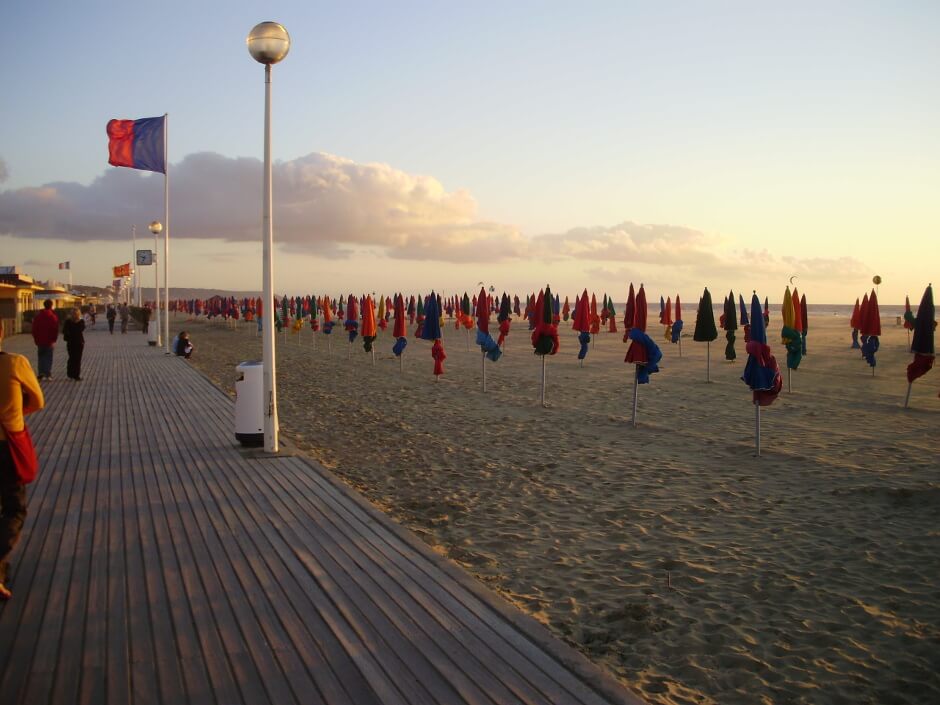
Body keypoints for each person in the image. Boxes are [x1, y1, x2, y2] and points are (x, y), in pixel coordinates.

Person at [0, 320, 45, 600]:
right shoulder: (14, 363)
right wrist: (17, 415)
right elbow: (37, 401)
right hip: (7, 445)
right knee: (15, 508)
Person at [30, 299, 59, 380]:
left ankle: (41, 373)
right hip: (49, 341)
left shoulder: (38, 317)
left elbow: (34, 329)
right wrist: (54, 340)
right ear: (51, 306)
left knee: (41, 357)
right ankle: (47, 374)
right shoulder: (53, 317)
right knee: (48, 357)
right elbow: (55, 329)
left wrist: (36, 339)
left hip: (40, 341)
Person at [62, 307, 86, 381]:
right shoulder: (81, 322)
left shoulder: (68, 322)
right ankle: (76, 375)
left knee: (71, 358)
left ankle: (70, 374)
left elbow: (64, 331)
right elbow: (82, 329)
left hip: (70, 342)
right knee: (77, 359)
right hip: (78, 342)